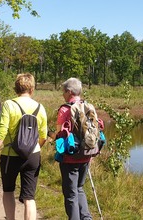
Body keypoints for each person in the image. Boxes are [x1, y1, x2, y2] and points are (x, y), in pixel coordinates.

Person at [0, 73, 48, 220]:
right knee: (29, 197)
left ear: (16, 88)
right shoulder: (40, 107)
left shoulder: (9, 105)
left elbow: (1, 133)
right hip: (33, 155)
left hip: (10, 155)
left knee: (8, 190)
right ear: (32, 89)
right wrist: (33, 148)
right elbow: (43, 136)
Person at [49, 78, 93, 220]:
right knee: (80, 189)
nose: (63, 94)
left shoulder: (65, 109)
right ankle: (87, 218)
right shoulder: (88, 106)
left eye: (63, 91)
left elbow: (59, 135)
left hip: (70, 157)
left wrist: (51, 135)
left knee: (70, 194)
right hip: (86, 154)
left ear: (69, 92)